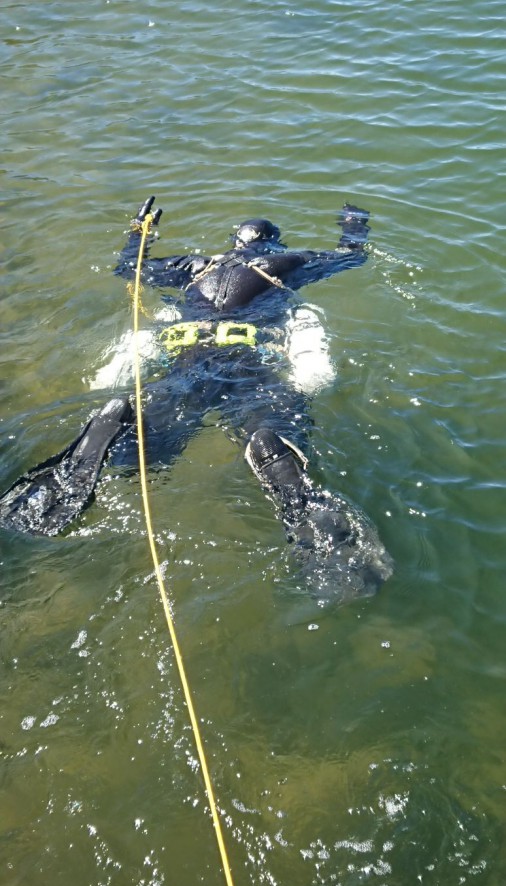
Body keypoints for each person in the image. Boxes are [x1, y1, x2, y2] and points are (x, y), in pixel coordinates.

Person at [0, 197, 393, 601]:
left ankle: (114, 422)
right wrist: (355, 222)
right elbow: (352, 256)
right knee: (267, 425)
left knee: (149, 438)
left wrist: (140, 231)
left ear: (234, 241)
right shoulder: (285, 262)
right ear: (272, 242)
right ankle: (278, 464)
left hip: (189, 362)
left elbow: (127, 268)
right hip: (247, 362)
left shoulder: (193, 266)